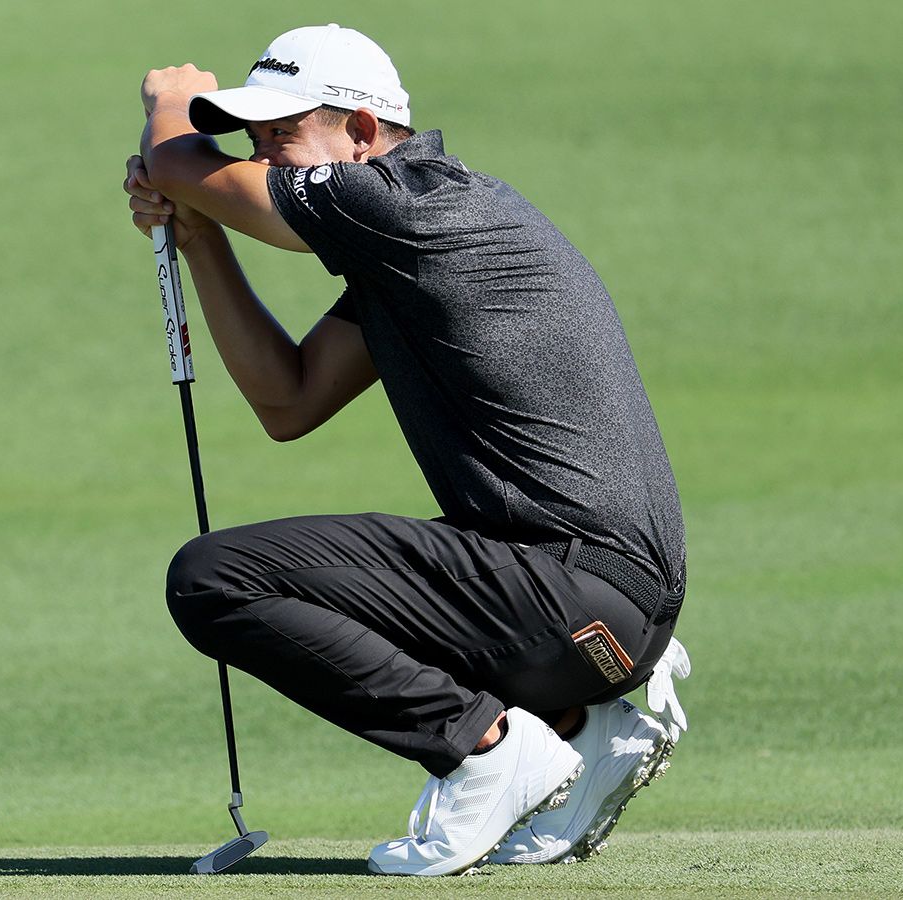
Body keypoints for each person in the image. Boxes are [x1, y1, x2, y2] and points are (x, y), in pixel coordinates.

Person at [123, 24, 692, 876]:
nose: (265, 160)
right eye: (254, 140)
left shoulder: (402, 201)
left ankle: (486, 750)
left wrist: (169, 107)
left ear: (360, 131)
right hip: (597, 616)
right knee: (283, 578)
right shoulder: (409, 245)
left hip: (576, 592)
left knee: (215, 579)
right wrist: (201, 235)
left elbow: (175, 161)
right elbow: (289, 399)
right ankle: (583, 730)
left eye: (284, 135)